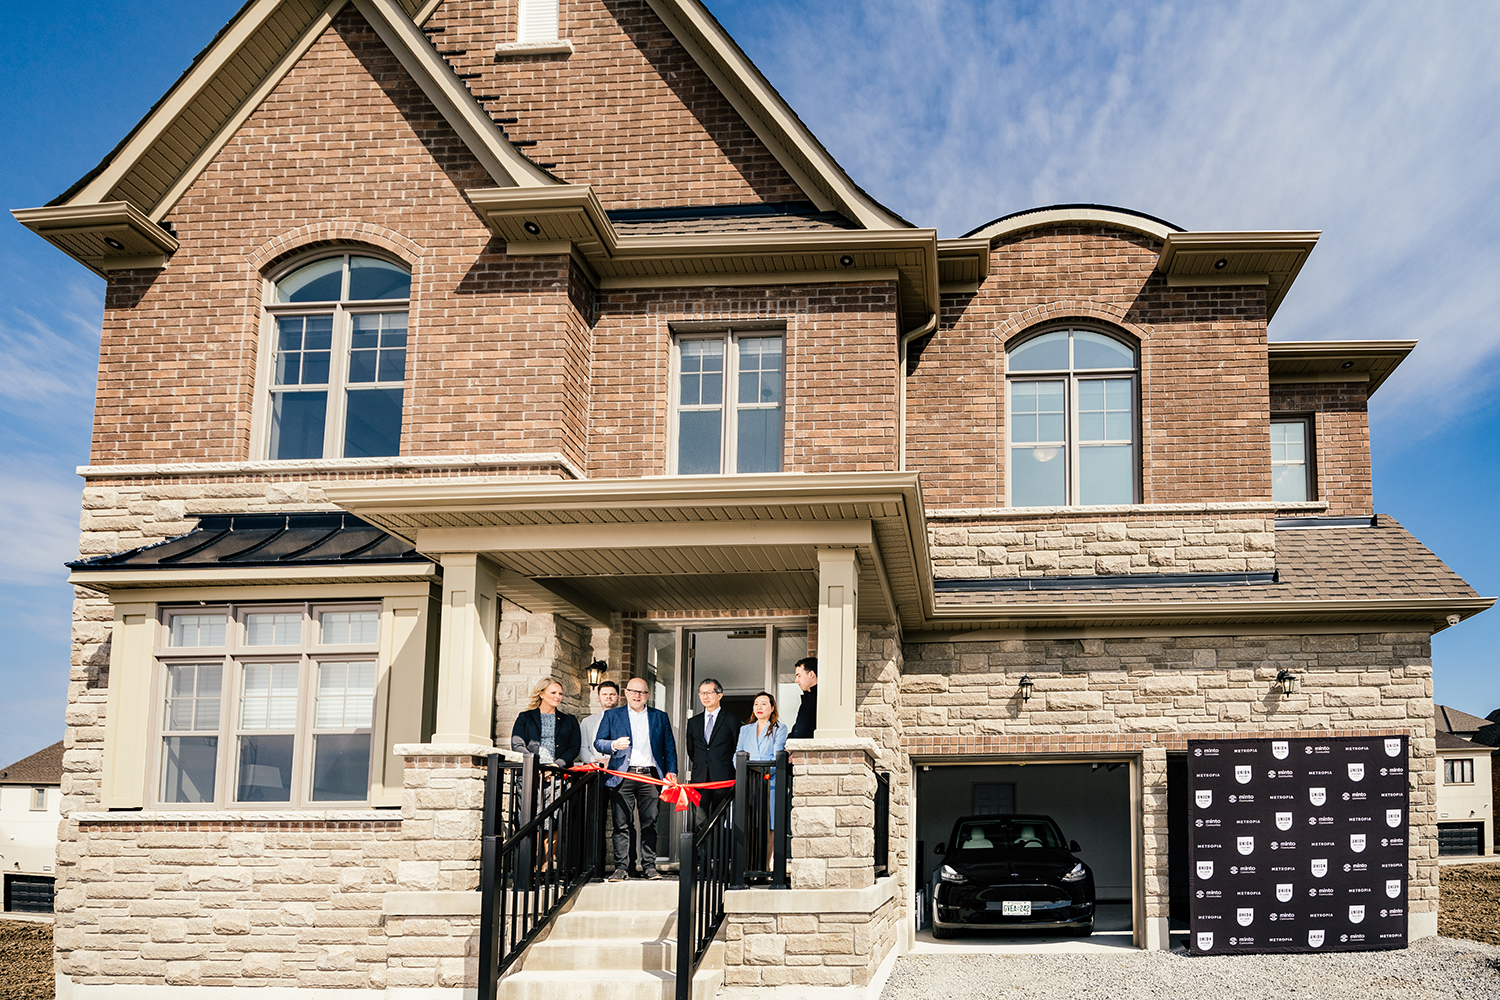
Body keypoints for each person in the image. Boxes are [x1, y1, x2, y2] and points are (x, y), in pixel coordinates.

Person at [594, 677, 678, 881]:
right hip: (623, 775)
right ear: (626, 693)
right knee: (621, 824)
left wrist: (672, 771)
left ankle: (649, 867)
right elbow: (598, 742)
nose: (637, 696)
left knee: (650, 824)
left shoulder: (660, 717)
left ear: (648, 695)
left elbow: (669, 747)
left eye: (642, 692)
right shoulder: (613, 715)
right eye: (633, 691)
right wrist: (613, 745)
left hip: (650, 776)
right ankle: (622, 868)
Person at [735, 691, 789, 864]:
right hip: (748, 781)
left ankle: (765, 864)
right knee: (750, 821)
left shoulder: (780, 728)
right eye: (756, 703)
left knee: (770, 824)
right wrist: (744, 770)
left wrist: (764, 771)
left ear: (772, 708)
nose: (759, 707)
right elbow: (737, 755)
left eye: (764, 703)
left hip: (770, 781)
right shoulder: (745, 729)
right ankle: (748, 864)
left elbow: (777, 755)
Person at [685, 677, 738, 828]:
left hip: (723, 778)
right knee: (700, 821)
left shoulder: (731, 720)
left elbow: (736, 747)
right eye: (701, 693)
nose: (705, 697)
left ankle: (719, 852)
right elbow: (691, 750)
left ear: (719, 695)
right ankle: (704, 852)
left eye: (709, 693)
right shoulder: (693, 722)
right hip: (700, 778)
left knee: (720, 820)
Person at [510, 676, 582, 767]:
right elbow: (517, 745)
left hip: (559, 772)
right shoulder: (525, 717)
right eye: (553, 693)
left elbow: (574, 748)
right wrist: (534, 765)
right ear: (541, 694)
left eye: (560, 694)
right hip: (530, 770)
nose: (558, 697)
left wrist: (556, 765)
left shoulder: (570, 720)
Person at [579, 677, 619, 764]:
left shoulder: (627, 721)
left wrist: (612, 762)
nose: (608, 697)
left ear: (619, 697)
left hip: (620, 769)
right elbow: (582, 748)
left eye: (612, 694)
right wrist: (599, 762)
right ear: (598, 697)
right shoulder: (587, 722)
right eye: (604, 694)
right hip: (595, 769)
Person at [788, 656, 818, 739]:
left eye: (799, 675)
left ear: (811, 674)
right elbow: (799, 727)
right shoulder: (807, 698)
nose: (796, 680)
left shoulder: (822, 698)